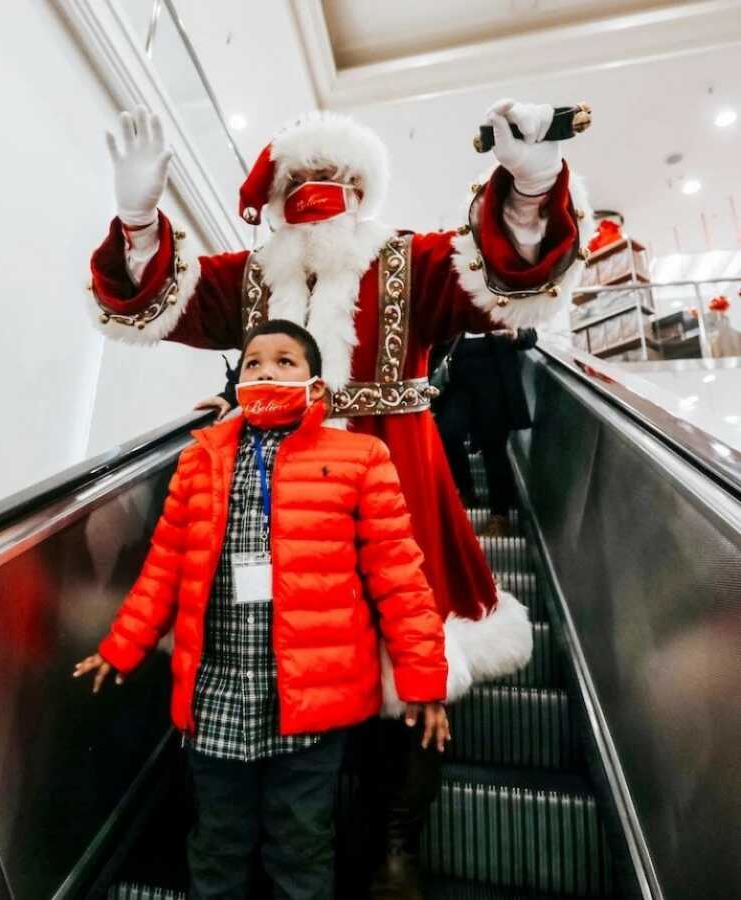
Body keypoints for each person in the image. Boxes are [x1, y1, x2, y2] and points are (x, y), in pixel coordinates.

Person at [86, 100, 594, 894]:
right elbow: (155, 304)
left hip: (398, 487)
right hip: (273, 506)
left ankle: (394, 842)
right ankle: (282, 840)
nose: (322, 193)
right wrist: (138, 218)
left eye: (341, 179)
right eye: (305, 180)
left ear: (364, 190)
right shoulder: (251, 279)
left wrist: (530, 192)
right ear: (279, 194)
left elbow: (502, 276)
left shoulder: (410, 264)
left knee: (412, 655)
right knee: (287, 649)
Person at [74, 320, 451, 900]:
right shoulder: (201, 461)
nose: (267, 372)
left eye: (285, 362)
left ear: (315, 383)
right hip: (216, 697)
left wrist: (423, 681)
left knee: (300, 843)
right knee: (218, 841)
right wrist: (123, 646)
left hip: (311, 703)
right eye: (254, 363)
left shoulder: (358, 458)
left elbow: (400, 577)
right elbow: (164, 565)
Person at [431, 328, 538, 537]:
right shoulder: (458, 310)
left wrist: (515, 333)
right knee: (447, 433)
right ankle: (466, 490)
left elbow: (530, 337)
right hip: (458, 387)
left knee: (494, 447)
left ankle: (500, 516)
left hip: (495, 386)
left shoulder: (502, 304)